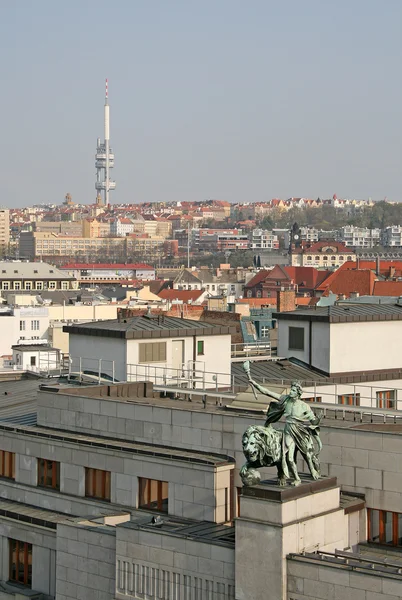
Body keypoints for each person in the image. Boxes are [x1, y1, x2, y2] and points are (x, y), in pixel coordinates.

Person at [246, 371, 322, 486]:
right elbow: (268, 393)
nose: (290, 391)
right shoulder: (285, 400)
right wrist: (255, 384)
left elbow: (313, 420)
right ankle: (297, 479)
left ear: (298, 393)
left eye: (293, 390)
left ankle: (312, 470)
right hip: (288, 431)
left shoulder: (304, 406)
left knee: (306, 453)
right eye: (291, 390)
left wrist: (318, 420)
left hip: (300, 430)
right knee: (289, 458)